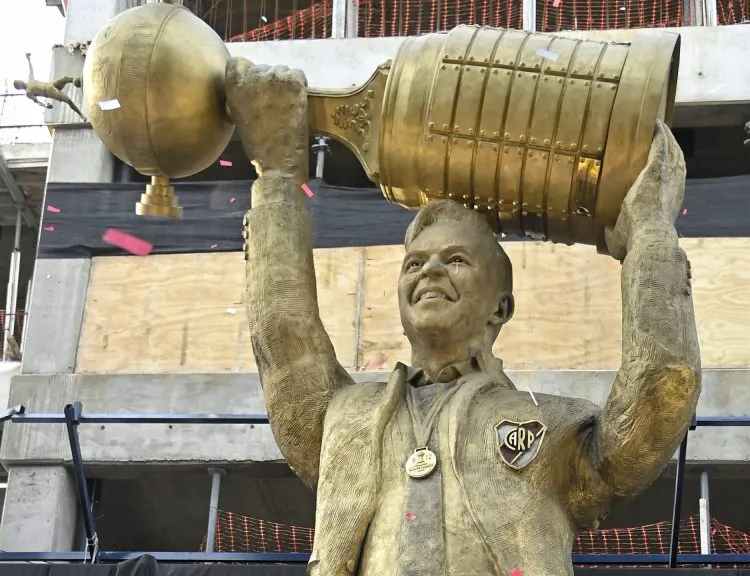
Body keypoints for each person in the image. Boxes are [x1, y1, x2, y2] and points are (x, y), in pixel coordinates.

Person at [229, 57, 701, 576]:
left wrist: (651, 233)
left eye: (455, 260)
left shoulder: (558, 428)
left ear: (501, 306)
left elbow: (662, 391)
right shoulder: (344, 420)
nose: (430, 271)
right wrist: (276, 177)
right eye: (415, 263)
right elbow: (284, 343)